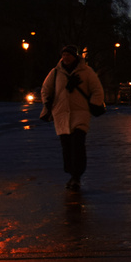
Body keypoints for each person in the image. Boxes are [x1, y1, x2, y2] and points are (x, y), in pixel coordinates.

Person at [40, 45, 105, 190]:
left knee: (78, 145)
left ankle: (76, 176)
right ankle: (71, 172)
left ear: (75, 56)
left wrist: (93, 104)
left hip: (80, 114)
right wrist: (48, 102)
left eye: (68, 55)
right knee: (67, 147)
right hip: (62, 114)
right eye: (63, 55)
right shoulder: (55, 73)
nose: (66, 58)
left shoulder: (87, 72)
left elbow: (97, 90)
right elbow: (46, 89)